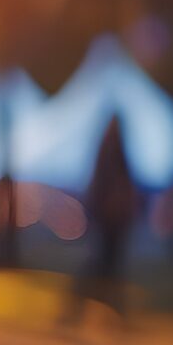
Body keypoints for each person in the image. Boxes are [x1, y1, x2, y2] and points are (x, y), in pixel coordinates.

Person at [72, 113, 136, 323]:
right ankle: (89, 306)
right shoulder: (113, 151)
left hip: (112, 217)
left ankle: (96, 308)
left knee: (106, 264)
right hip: (110, 217)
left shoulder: (111, 150)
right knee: (104, 263)